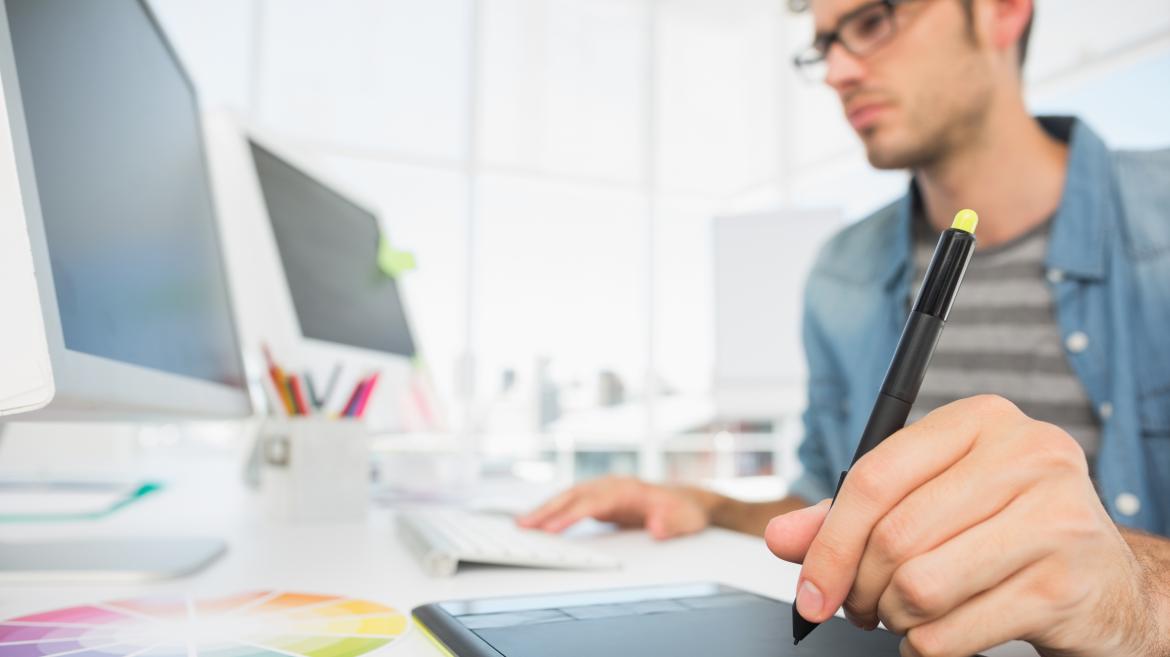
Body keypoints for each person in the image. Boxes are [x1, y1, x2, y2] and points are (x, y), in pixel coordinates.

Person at [519, 0, 1170, 654]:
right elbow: (825, 505)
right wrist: (705, 505)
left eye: (871, 21)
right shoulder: (840, 274)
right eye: (823, 45)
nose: (836, 71)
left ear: (1002, 12)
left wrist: (1134, 592)